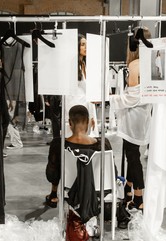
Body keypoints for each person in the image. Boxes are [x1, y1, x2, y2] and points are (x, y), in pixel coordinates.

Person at [109, 28, 152, 212]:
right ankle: (128, 189)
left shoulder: (135, 65)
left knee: (133, 157)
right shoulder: (153, 62)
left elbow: (132, 98)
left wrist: (110, 99)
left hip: (134, 116)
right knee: (130, 152)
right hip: (142, 115)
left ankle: (139, 197)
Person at [45, 105, 114, 208]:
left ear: (70, 123)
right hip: (97, 188)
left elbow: (51, 174)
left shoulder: (58, 144)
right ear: (88, 122)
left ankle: (53, 194)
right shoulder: (103, 144)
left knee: (55, 165)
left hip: (70, 187)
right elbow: (112, 171)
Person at [64, 34, 98, 138]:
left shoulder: (84, 64)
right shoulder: (72, 65)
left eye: (87, 44)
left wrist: (91, 115)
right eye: (83, 44)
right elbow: (68, 94)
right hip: (76, 109)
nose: (86, 47)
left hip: (87, 106)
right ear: (76, 46)